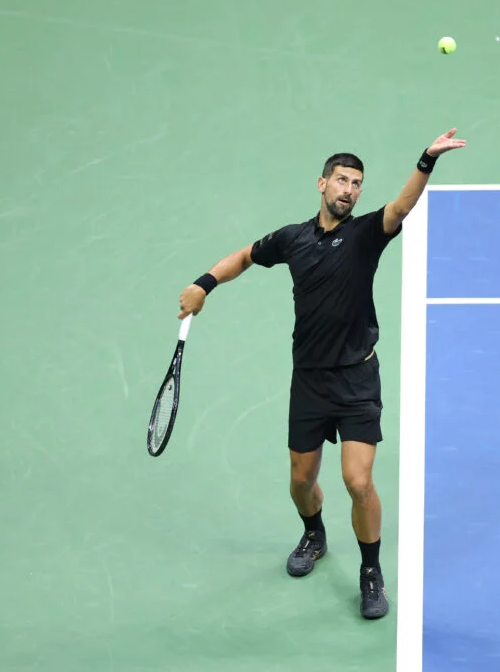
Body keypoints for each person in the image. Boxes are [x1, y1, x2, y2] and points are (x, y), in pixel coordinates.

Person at [176, 128, 466, 619]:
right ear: (321, 184)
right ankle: (314, 533)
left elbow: (400, 207)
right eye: (342, 180)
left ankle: (370, 571)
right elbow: (246, 255)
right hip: (309, 379)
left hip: (356, 379)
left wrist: (426, 160)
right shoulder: (293, 239)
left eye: (356, 183)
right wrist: (204, 283)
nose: (350, 190)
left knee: (357, 482)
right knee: (300, 479)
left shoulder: (366, 235)